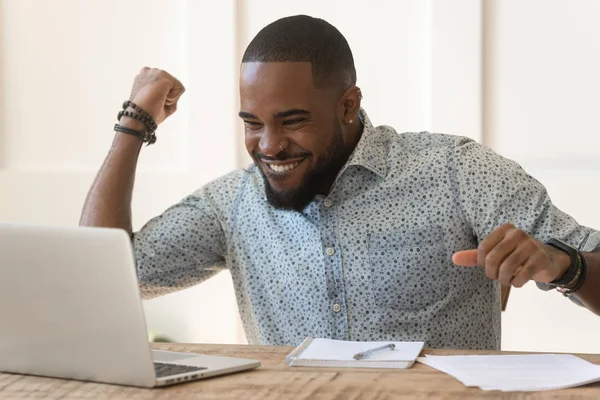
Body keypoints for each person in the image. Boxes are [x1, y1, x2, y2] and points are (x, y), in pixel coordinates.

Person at [80, 15, 600, 350]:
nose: (268, 145)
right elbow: (101, 282)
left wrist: (563, 263)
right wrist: (133, 126)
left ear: (348, 105)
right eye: (252, 123)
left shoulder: (457, 171)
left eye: (292, 120)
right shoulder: (231, 206)